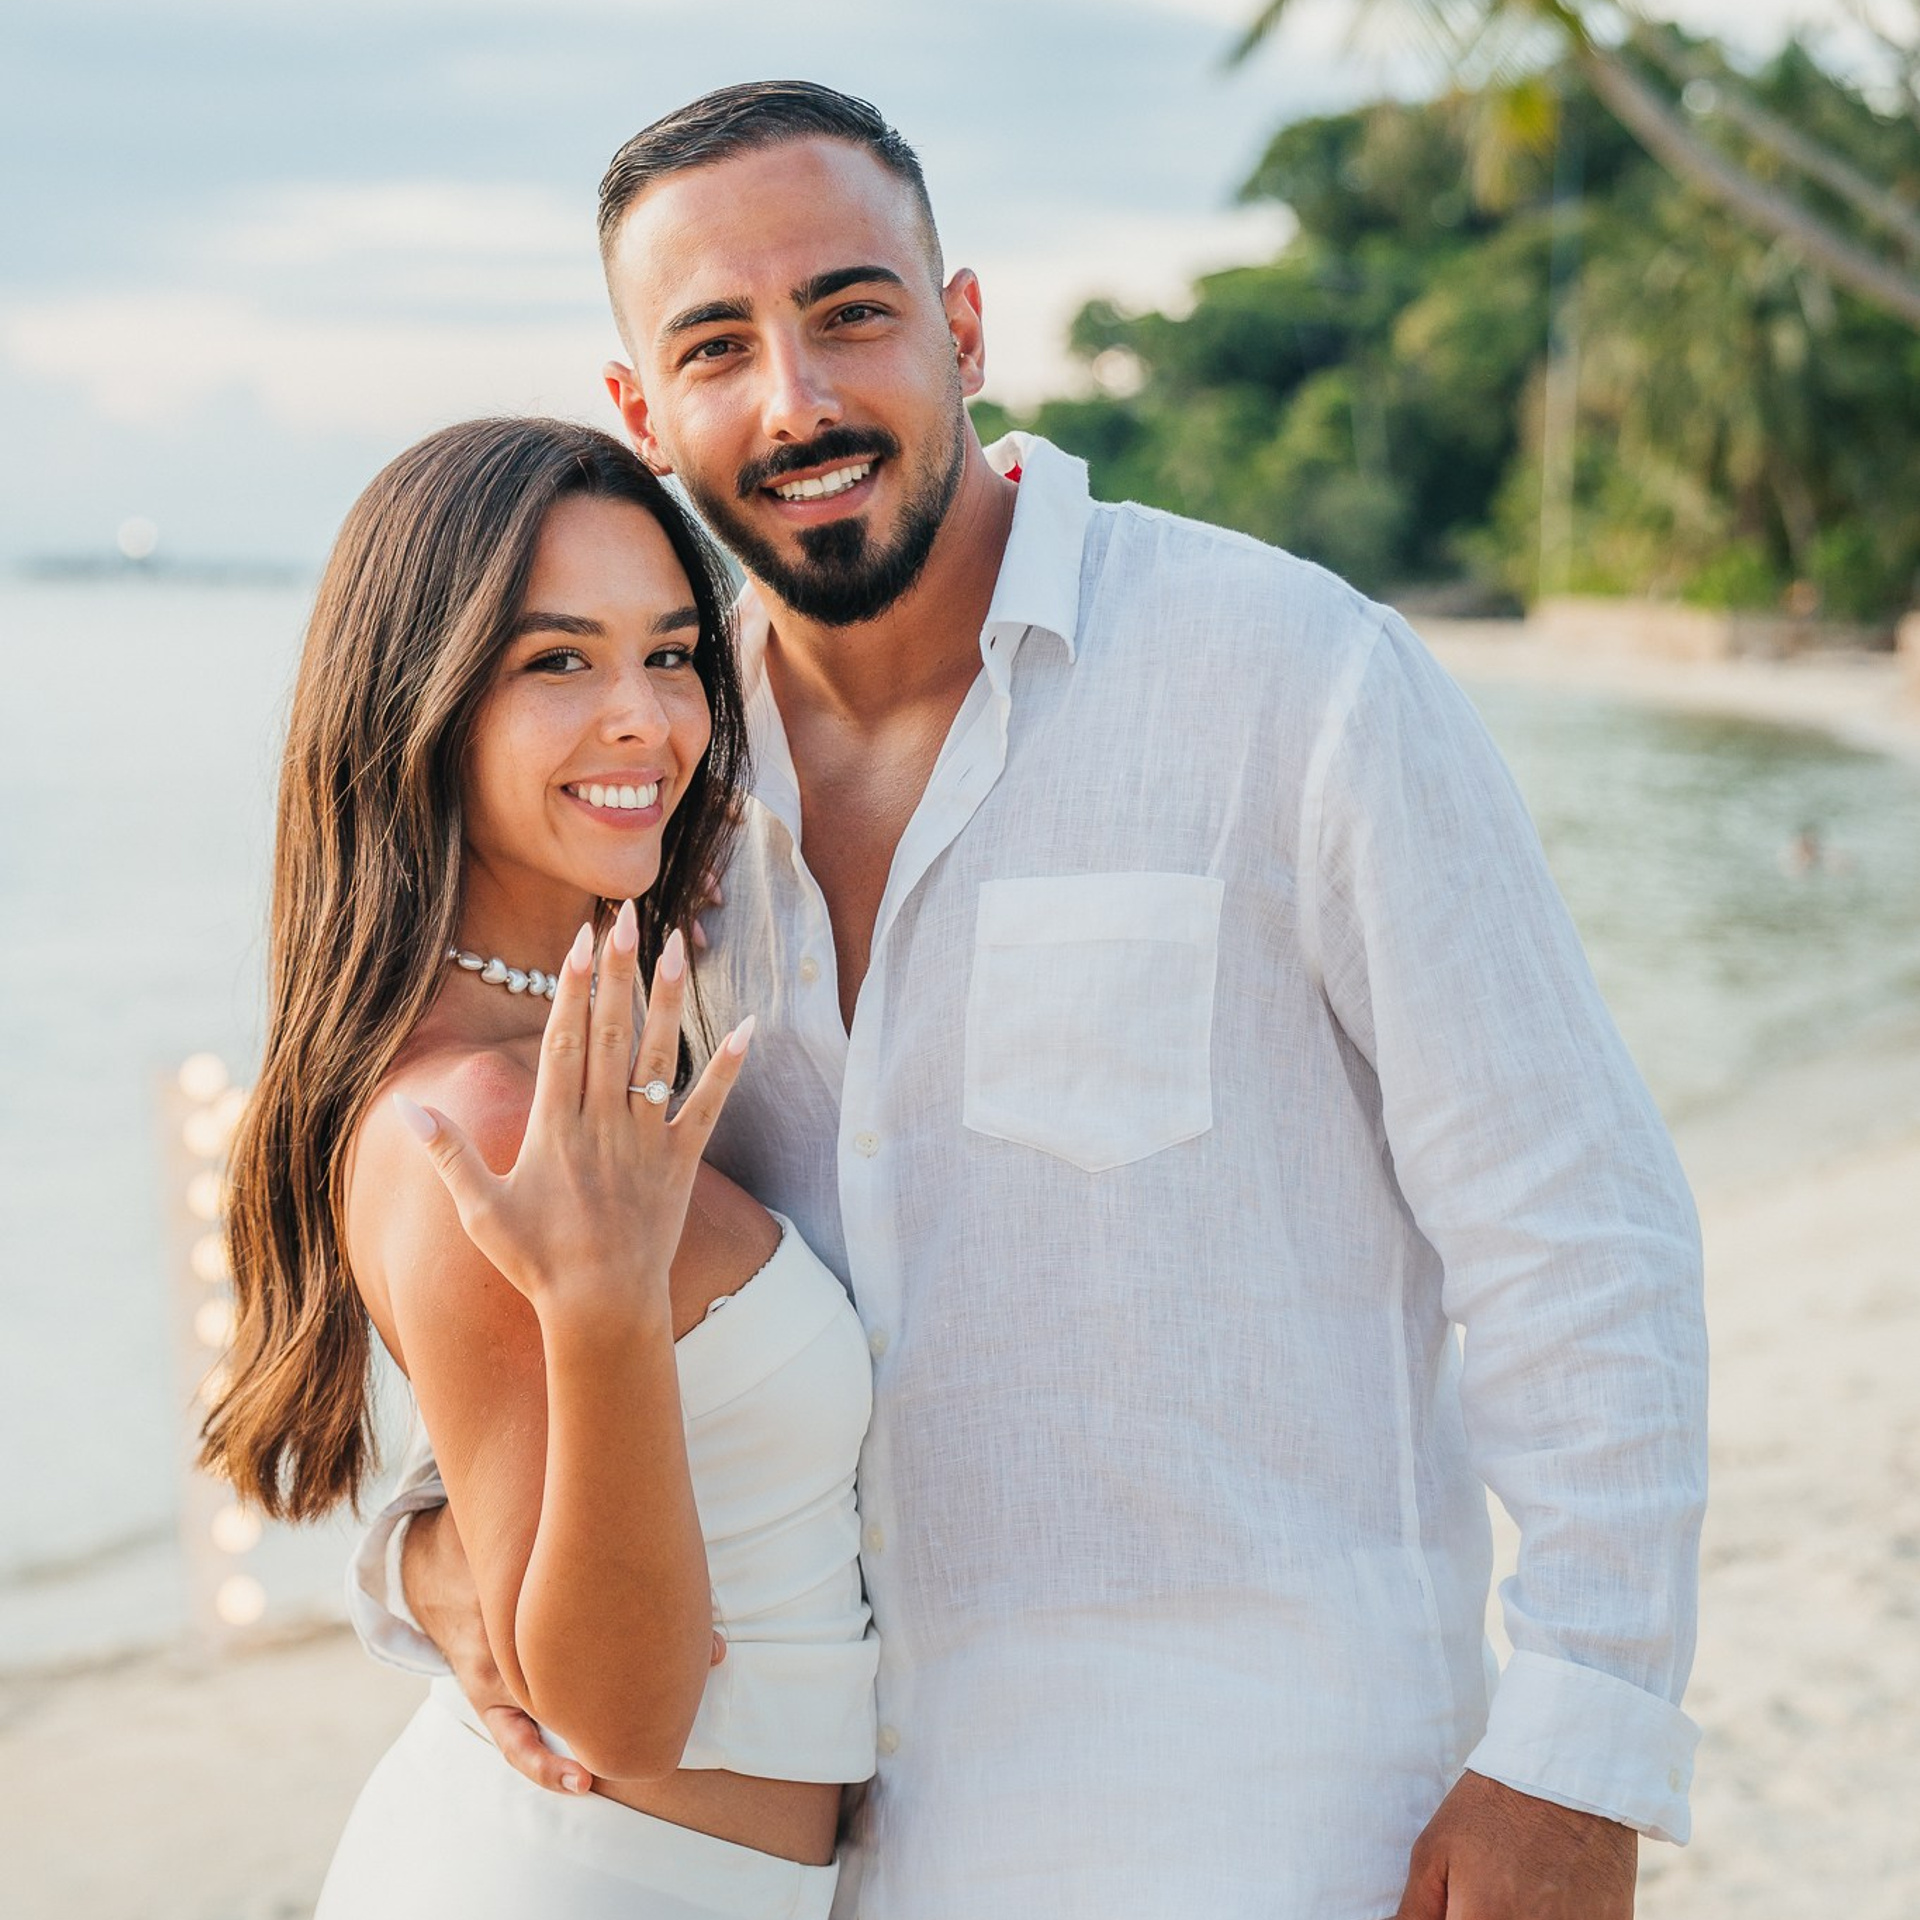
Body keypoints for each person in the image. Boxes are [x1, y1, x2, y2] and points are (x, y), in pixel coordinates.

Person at [353, 84, 1709, 1920]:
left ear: (963, 324)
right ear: (640, 412)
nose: (799, 401)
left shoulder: (1293, 682)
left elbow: (1577, 1231)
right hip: (837, 1872)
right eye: (716, 347)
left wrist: (1575, 1751)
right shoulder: (652, 788)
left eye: (850, 311)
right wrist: (423, 1554)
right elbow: (492, 1250)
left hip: (1272, 1832)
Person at [201, 416, 880, 1919]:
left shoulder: (600, 1018)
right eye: (557, 662)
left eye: (673, 652)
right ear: (423, 704)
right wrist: (605, 1307)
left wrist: (415, 1559)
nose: (643, 716)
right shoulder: (484, 1125)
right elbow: (617, 1720)